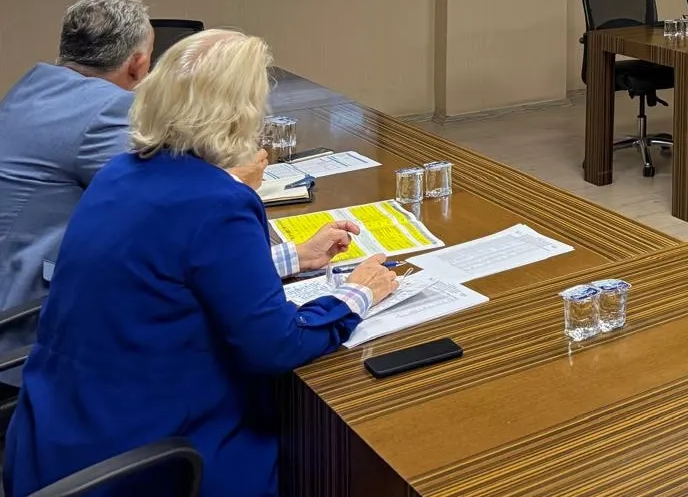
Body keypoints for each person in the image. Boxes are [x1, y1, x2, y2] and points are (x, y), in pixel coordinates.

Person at [3, 30, 398, 497]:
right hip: (150, 460)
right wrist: (357, 294)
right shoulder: (219, 201)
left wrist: (294, 256)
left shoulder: (121, 172)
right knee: (326, 450)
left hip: (54, 442)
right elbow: (277, 345)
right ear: (240, 114)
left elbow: (167, 274)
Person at [0, 0, 154, 384]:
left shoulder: (33, 85)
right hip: (27, 328)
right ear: (137, 65)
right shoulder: (107, 108)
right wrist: (235, 179)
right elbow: (158, 203)